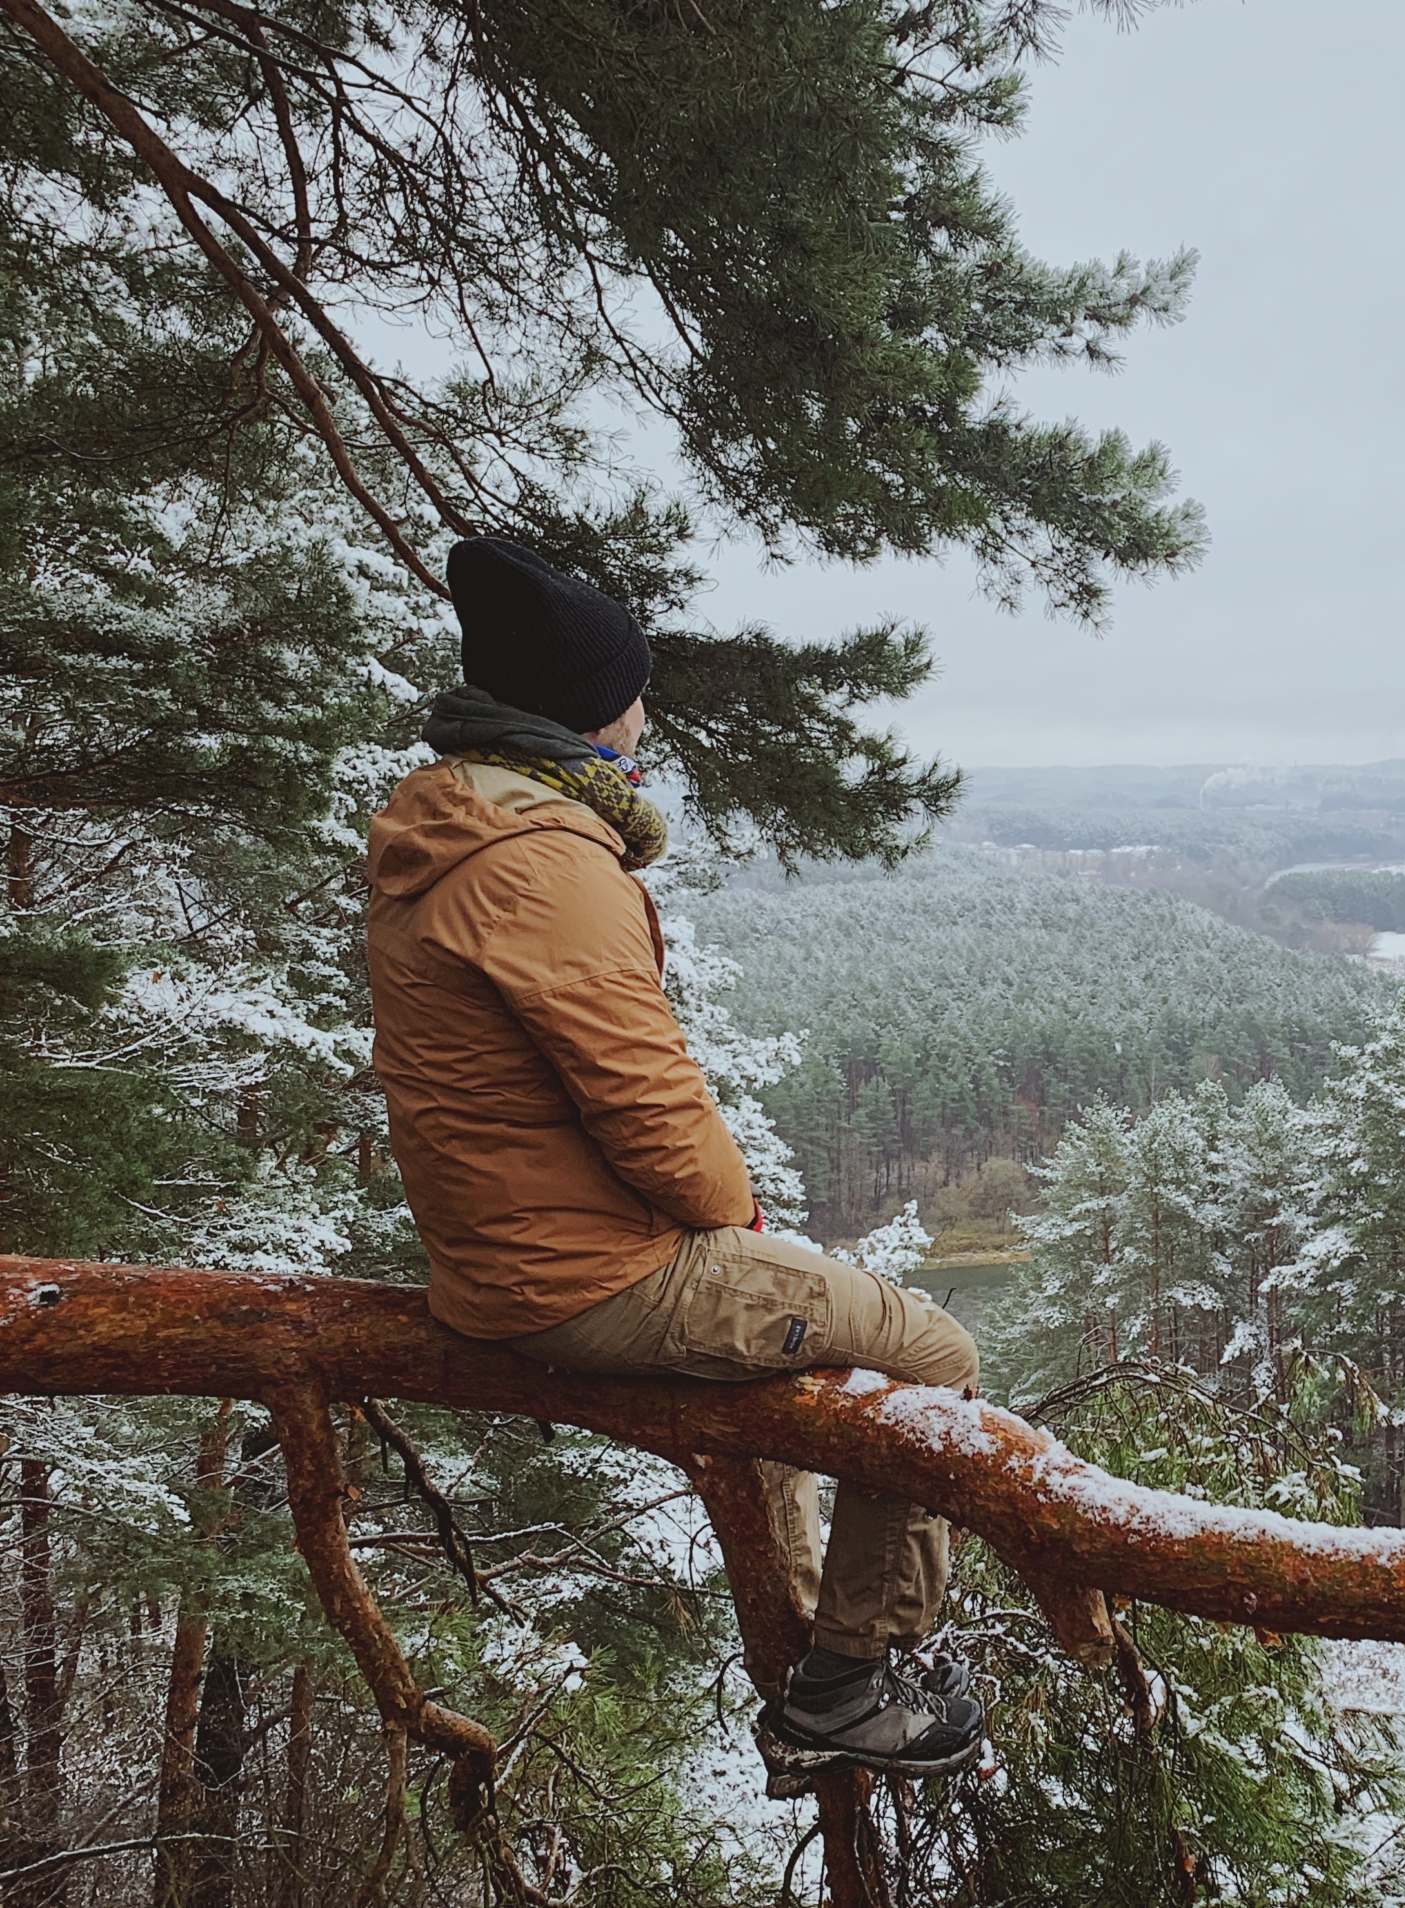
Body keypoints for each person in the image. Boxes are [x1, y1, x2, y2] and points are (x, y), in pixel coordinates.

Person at [364, 535, 985, 1780]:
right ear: (587, 709)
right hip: (585, 1276)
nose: (647, 713)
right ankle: (851, 1685)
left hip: (497, 1258)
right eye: (634, 688)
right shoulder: (543, 864)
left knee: (809, 1344)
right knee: (932, 1351)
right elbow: (652, 1117)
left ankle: (832, 1642)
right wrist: (733, 1206)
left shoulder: (449, 832)